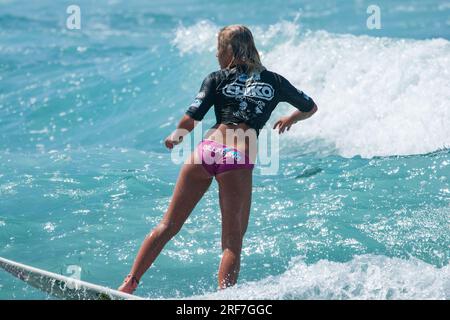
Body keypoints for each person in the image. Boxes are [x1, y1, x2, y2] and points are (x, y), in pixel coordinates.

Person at [118, 24, 317, 294]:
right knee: (231, 244)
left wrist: (176, 136)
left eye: (219, 49)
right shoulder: (275, 81)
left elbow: (192, 117)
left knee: (167, 225)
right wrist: (290, 117)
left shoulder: (216, 77)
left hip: (206, 151)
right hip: (237, 158)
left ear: (229, 50)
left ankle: (129, 284)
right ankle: (224, 299)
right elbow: (310, 106)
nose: (216, 55)